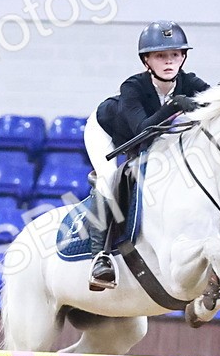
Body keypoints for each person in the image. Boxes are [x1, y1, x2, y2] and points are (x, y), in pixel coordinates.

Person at [85, 20, 212, 291]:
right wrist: (176, 104)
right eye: (160, 56)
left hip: (149, 139)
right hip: (108, 133)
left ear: (183, 57)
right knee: (109, 180)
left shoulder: (189, 81)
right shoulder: (133, 87)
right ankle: (101, 256)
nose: (169, 61)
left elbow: (215, 101)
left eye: (175, 55)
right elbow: (143, 130)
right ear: (147, 61)